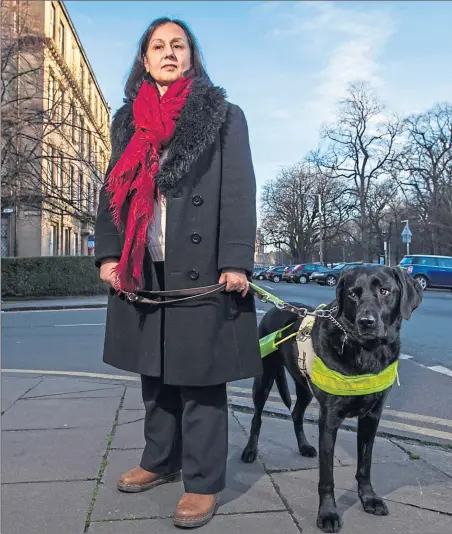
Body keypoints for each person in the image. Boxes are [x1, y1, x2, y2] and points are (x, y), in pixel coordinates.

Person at [94, 17, 261, 529]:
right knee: (155, 371)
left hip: (202, 264)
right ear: (144, 60)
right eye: (158, 46)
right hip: (144, 262)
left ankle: (204, 481)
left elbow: (238, 190)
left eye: (178, 45)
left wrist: (236, 260)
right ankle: (159, 459)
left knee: (200, 376)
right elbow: (112, 192)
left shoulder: (224, 116)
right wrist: (108, 254)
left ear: (192, 56)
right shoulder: (127, 121)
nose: (169, 53)